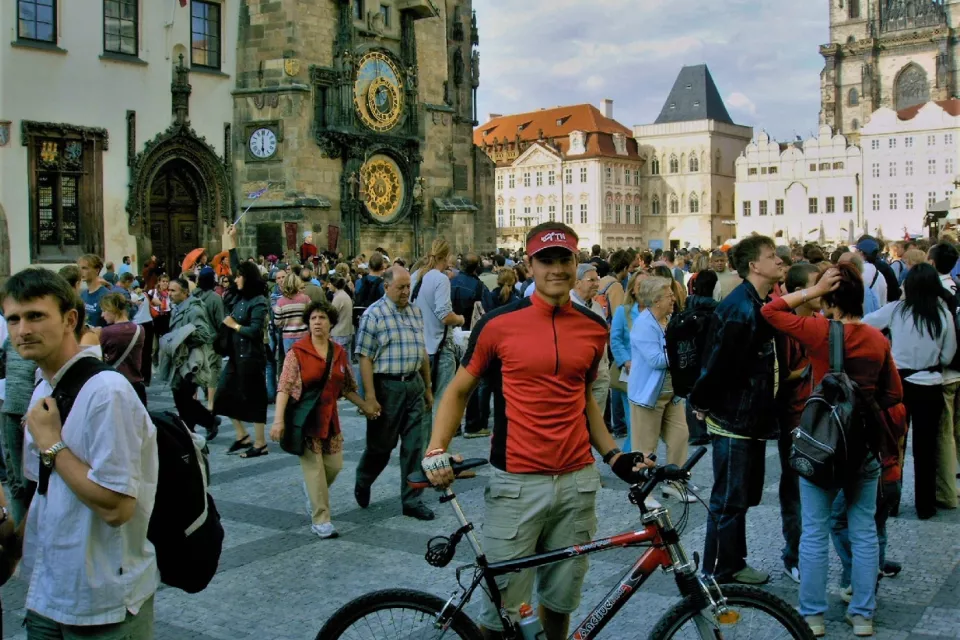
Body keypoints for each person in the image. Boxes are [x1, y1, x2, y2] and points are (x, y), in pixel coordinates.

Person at [421, 222, 648, 640]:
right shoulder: (498, 324)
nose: (556, 269)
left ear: (576, 263)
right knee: (500, 615)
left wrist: (614, 454)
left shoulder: (593, 328)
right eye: (546, 260)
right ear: (530, 265)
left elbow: (583, 399)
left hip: (577, 483)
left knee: (559, 606)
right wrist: (437, 447)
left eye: (564, 259)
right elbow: (458, 390)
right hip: (517, 484)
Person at [3, 267, 158, 638]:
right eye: (13, 319)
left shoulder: (107, 392)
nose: (23, 330)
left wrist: (52, 444)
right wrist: (13, 547)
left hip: (101, 601)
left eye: (36, 316)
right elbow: (47, 491)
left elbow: (116, 508)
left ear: (70, 318)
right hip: (47, 592)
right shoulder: (42, 389)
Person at [762, 264, 903, 637]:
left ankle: (813, 615)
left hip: (822, 447)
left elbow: (771, 311)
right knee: (864, 532)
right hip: (863, 449)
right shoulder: (877, 339)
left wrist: (810, 291)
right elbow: (894, 394)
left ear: (829, 297)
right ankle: (862, 614)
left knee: (814, 532)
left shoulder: (820, 331)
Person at [689, 235, 783, 585]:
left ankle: (731, 562)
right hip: (734, 418)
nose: (778, 261)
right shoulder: (740, 308)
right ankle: (717, 571)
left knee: (740, 497)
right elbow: (718, 365)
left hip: (749, 416)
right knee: (728, 498)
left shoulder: (755, 301)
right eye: (771, 256)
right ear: (754, 266)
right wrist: (702, 401)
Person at [271, 300, 378, 539]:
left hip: (329, 420)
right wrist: (278, 421)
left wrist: (365, 406)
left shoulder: (338, 353)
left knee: (334, 466)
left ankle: (312, 494)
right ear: (308, 323)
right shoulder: (297, 352)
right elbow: (284, 387)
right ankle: (321, 520)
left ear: (331, 323)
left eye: (322, 318)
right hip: (305, 420)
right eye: (313, 319)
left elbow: (348, 387)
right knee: (315, 471)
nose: (317, 322)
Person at [863, 263, 957, 519]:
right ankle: (924, 506)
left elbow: (864, 324)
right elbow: (948, 355)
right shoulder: (943, 314)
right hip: (931, 385)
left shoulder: (896, 310)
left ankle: (890, 502)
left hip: (898, 385)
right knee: (927, 449)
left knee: (894, 446)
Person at [353, 266, 435, 520]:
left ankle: (411, 501)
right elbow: (364, 357)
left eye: (408, 286)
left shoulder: (414, 312)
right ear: (386, 286)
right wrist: (370, 396)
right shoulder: (373, 315)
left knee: (414, 447)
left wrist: (428, 387)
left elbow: (421, 352)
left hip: (413, 384)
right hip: (387, 387)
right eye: (400, 287)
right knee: (381, 446)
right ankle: (364, 479)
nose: (405, 291)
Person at [771, 263, 821, 584]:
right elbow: (786, 373)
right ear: (802, 289)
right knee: (795, 486)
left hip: (819, 414)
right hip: (794, 416)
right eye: (817, 284)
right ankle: (795, 554)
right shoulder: (787, 326)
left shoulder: (818, 321)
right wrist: (813, 367)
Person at [629, 276, 693, 508]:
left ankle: (674, 484)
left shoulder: (667, 320)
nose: (673, 299)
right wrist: (683, 357)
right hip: (648, 396)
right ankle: (642, 491)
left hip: (671, 393)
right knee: (646, 448)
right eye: (669, 296)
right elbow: (656, 360)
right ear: (656, 301)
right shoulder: (644, 325)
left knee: (680, 436)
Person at [216, 225, 270, 458]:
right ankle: (242, 436)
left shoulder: (258, 301)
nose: (235, 278)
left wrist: (235, 326)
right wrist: (232, 242)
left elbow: (255, 330)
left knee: (256, 400)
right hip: (236, 356)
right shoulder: (240, 296)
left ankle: (260, 443)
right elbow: (233, 269)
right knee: (221, 396)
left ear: (247, 279)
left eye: (240, 276)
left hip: (251, 357)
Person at [411, 239, 464, 429]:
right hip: (439, 349)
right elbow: (445, 316)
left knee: (424, 403)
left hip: (419, 348)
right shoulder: (440, 279)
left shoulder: (416, 276)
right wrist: (460, 319)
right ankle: (438, 452)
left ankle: (424, 450)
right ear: (447, 256)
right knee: (442, 403)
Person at [164, 277, 220, 440]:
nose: (170, 294)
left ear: (185, 292)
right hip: (179, 360)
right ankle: (202, 425)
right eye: (169, 290)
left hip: (191, 361)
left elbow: (204, 334)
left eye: (173, 290)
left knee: (184, 398)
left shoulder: (194, 310)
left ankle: (193, 432)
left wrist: (182, 339)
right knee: (181, 397)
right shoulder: (176, 308)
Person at [928, 242, 960, 510]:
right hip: (959, 368)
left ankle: (947, 493)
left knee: (944, 435)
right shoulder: (956, 285)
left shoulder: (935, 292)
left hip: (945, 372)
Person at [610, 270, 649, 452]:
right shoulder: (623, 312)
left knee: (647, 423)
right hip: (630, 374)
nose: (644, 290)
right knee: (634, 421)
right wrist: (625, 361)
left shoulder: (657, 313)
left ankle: (640, 458)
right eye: (641, 286)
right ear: (632, 289)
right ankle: (631, 459)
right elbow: (615, 339)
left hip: (652, 374)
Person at [570, 263, 611, 430]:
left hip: (600, 374)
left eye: (597, 279)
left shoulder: (595, 305)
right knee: (576, 424)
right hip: (578, 377)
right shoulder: (567, 306)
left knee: (594, 425)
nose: (596, 284)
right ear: (577, 282)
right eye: (591, 280)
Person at [98, 293, 147, 406]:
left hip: (115, 385)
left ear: (113, 309)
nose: (102, 315)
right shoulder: (140, 330)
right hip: (135, 385)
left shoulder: (107, 332)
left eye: (104, 310)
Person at [274, 273, 311, 357]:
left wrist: (286, 322)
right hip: (304, 335)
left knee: (291, 364)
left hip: (288, 337)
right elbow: (311, 316)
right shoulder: (306, 299)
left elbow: (277, 322)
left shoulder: (280, 302)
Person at [77, 255, 111, 328]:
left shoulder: (106, 295)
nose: (80, 271)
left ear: (97, 270)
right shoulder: (83, 294)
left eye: (84, 268)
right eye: (79, 268)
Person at [327, 275, 354, 351]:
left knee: (340, 360)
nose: (328, 286)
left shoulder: (338, 297)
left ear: (334, 285)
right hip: (346, 332)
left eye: (330, 284)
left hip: (340, 333)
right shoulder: (344, 295)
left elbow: (331, 315)